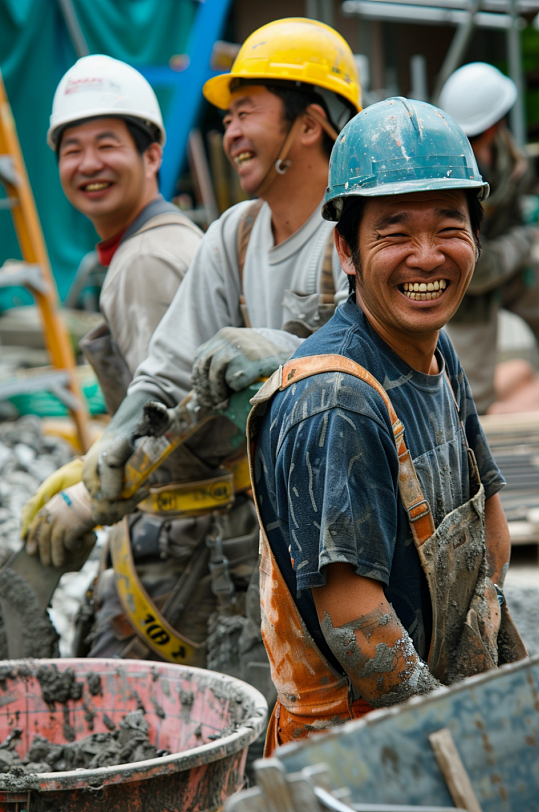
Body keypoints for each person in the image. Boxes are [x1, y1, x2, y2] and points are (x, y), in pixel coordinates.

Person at [23, 19, 361, 688]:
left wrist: (292, 355)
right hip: (278, 529)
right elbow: (167, 372)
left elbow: (391, 373)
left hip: (353, 526)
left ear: (309, 123)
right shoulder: (234, 235)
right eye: (228, 116)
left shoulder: (356, 231)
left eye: (245, 114)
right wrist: (119, 441)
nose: (229, 133)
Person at [247, 96, 527, 755]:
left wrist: (501, 678)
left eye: (448, 228)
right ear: (346, 249)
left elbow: (486, 514)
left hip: (428, 708)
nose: (426, 257)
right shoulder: (333, 400)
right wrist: (463, 733)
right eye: (394, 233)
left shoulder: (434, 347)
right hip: (356, 747)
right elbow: (357, 624)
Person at [21, 54, 202, 602]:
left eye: (106, 145)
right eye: (72, 150)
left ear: (152, 155)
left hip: (192, 537)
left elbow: (173, 421)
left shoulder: (144, 260)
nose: (88, 163)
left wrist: (87, 495)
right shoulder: (170, 239)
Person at [440, 62, 539, 414]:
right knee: (472, 401)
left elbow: (516, 221)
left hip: (509, 268)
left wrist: (517, 245)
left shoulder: (512, 161)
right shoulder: (447, 174)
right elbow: (477, 271)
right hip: (469, 286)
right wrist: (524, 240)